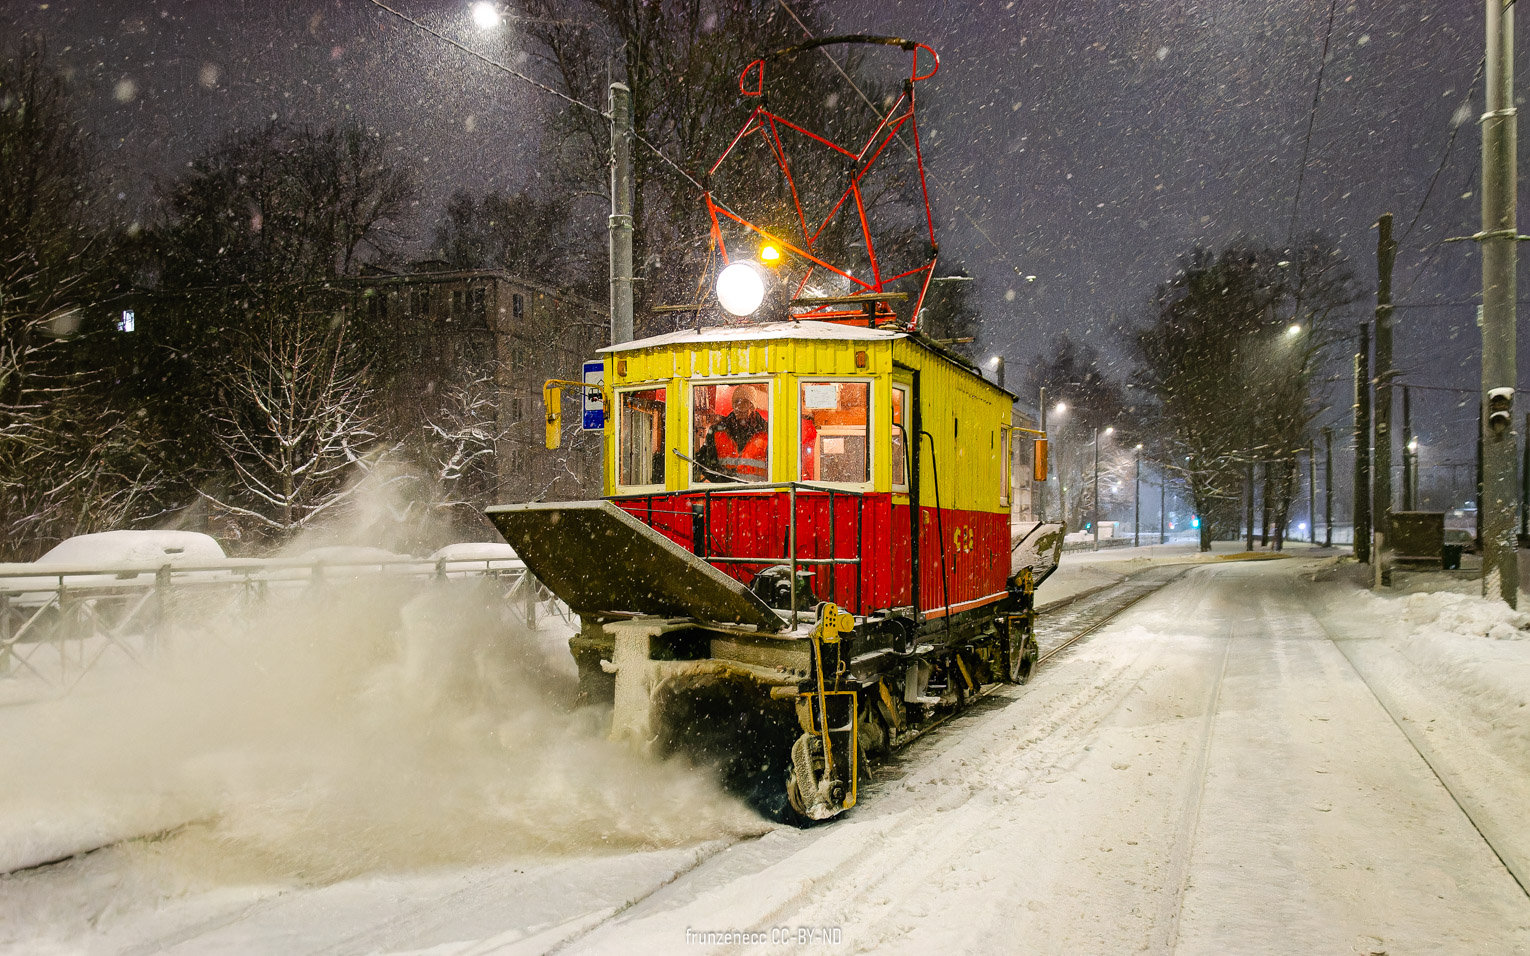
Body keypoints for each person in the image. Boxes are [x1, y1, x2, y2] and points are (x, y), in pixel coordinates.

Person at [697, 389, 768, 481]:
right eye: (737, 403)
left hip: (759, 489)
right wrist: (724, 479)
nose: (740, 408)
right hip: (727, 489)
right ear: (733, 406)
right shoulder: (718, 431)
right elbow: (703, 462)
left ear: (752, 406)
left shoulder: (767, 432)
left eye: (745, 403)